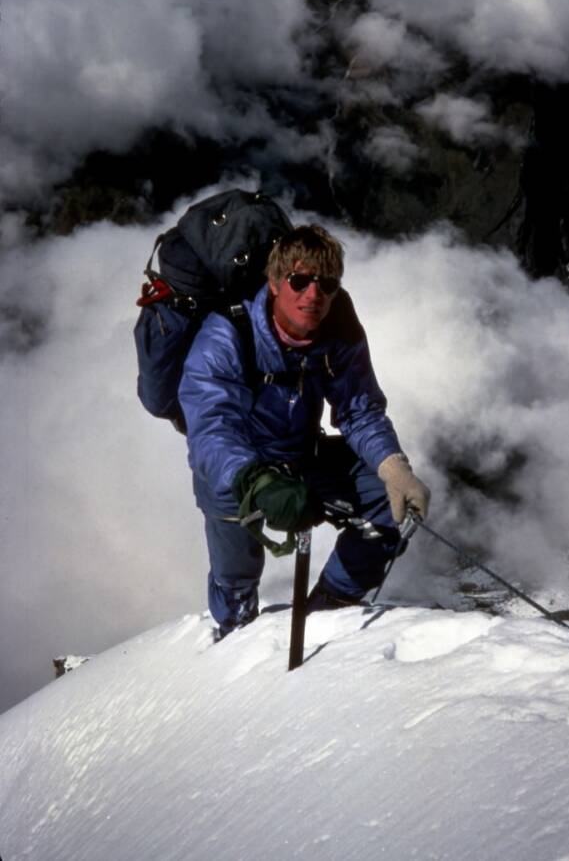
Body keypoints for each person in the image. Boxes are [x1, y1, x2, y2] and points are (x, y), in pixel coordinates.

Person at [178, 224, 430, 638]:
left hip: (302, 457)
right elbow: (211, 427)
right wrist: (257, 481)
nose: (313, 295)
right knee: (236, 576)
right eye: (299, 280)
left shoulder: (338, 328)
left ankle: (328, 612)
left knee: (386, 502)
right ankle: (233, 638)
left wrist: (392, 465)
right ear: (275, 282)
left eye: (326, 284)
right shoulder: (227, 334)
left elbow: (359, 409)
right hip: (236, 473)